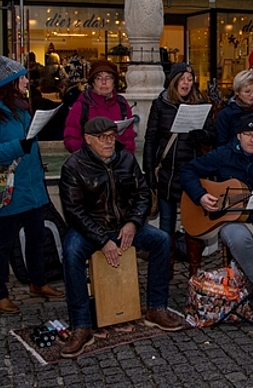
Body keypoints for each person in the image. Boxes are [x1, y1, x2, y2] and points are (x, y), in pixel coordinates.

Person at [58, 117, 186, 357]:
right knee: (71, 252)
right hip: (90, 228)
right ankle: (81, 325)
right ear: (88, 139)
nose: (109, 142)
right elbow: (74, 212)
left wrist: (133, 223)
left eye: (111, 136)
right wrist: (102, 240)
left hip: (123, 225)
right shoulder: (73, 166)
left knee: (161, 240)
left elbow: (143, 195)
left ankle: (156, 308)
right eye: (102, 137)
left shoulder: (125, 159)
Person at [0, 53, 65, 315]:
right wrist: (18, 146)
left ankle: (38, 282)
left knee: (36, 237)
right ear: (12, 81)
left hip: (31, 187)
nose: (27, 80)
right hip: (8, 189)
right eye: (23, 77)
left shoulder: (22, 108)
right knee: (4, 243)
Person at [181, 114, 253, 287]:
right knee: (238, 240)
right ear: (239, 135)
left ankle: (251, 282)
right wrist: (200, 195)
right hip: (232, 219)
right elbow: (187, 170)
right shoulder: (224, 154)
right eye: (248, 134)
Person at [142, 62, 215, 276]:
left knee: (192, 223)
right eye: (182, 79)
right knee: (167, 222)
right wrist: (148, 170)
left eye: (190, 79)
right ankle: (167, 265)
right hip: (167, 172)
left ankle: (195, 267)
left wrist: (202, 136)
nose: (186, 83)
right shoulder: (161, 104)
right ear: (174, 81)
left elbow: (212, 135)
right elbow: (151, 139)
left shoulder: (200, 104)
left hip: (191, 173)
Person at [63, 59, 135, 153]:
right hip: (89, 162)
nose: (104, 82)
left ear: (114, 83)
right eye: (98, 78)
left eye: (108, 78)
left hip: (118, 162)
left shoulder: (122, 105)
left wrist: (123, 157)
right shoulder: (81, 106)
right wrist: (91, 153)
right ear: (92, 83)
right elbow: (71, 140)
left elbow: (129, 138)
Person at [215, 69, 253, 147]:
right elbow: (221, 144)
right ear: (237, 92)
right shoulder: (225, 115)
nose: (252, 95)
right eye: (247, 91)